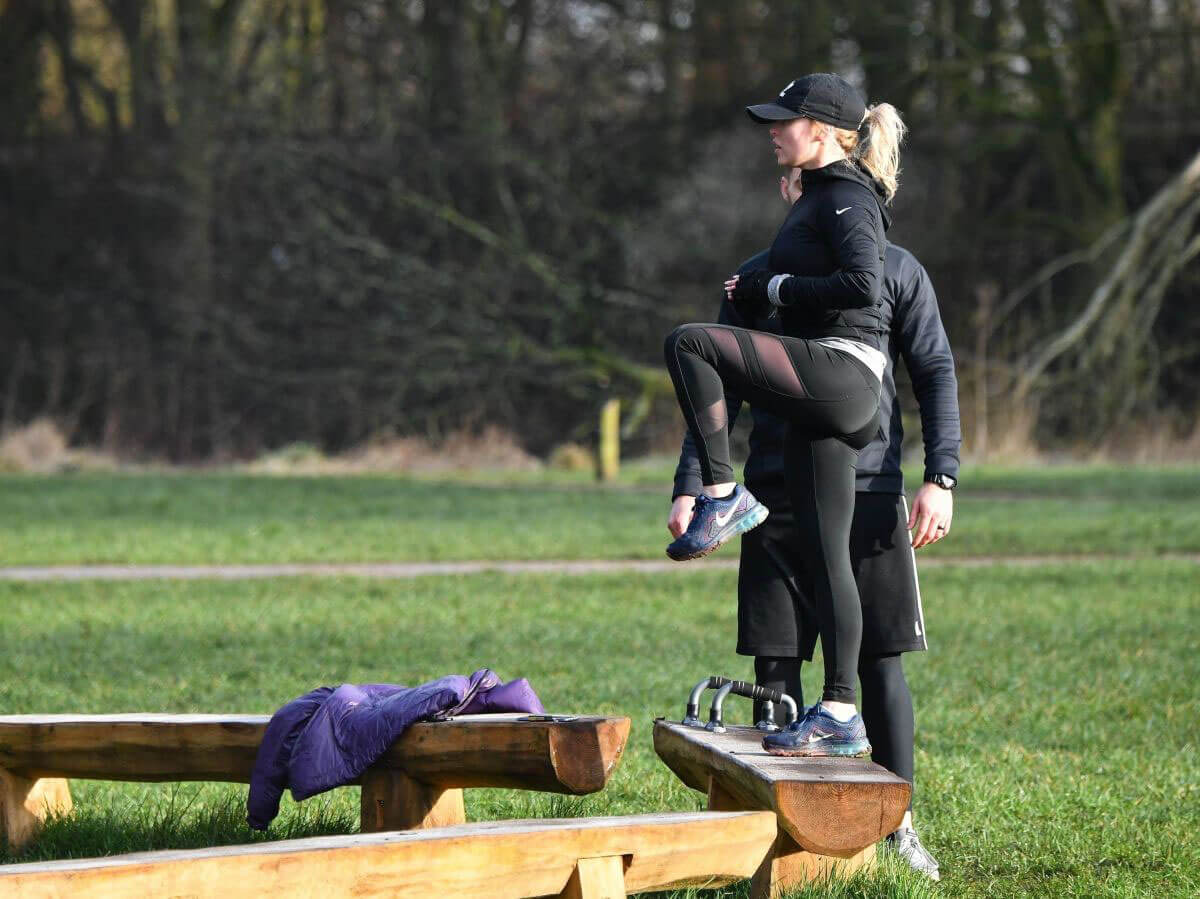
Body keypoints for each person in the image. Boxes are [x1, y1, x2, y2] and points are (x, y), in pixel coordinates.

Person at [669, 165, 960, 880]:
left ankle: (899, 824)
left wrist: (940, 476)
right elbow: (714, 395)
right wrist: (690, 485)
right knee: (775, 661)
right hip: (770, 491)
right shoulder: (753, 282)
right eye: (796, 185)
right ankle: (785, 831)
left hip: (871, 491)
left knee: (878, 663)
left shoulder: (896, 272)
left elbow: (934, 370)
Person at [663, 73, 906, 757]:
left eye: (784, 122)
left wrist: (774, 284)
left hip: (845, 371)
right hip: (826, 392)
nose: (773, 131)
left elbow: (864, 281)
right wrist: (759, 276)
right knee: (831, 558)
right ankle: (839, 711)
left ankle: (724, 492)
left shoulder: (845, 198)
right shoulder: (817, 198)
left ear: (822, 132)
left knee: (688, 344)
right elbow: (794, 269)